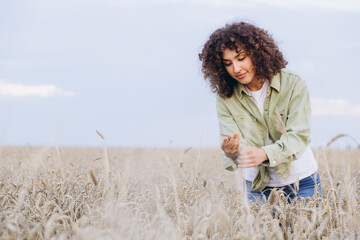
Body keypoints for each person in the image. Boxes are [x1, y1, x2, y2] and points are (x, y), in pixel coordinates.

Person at [198, 21, 321, 203]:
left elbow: (299, 136)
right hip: (257, 187)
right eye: (228, 63)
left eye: (241, 59)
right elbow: (235, 146)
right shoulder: (225, 98)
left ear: (257, 53)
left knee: (306, 232)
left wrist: (264, 153)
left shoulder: (294, 83)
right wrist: (232, 152)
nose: (236, 69)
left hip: (301, 182)